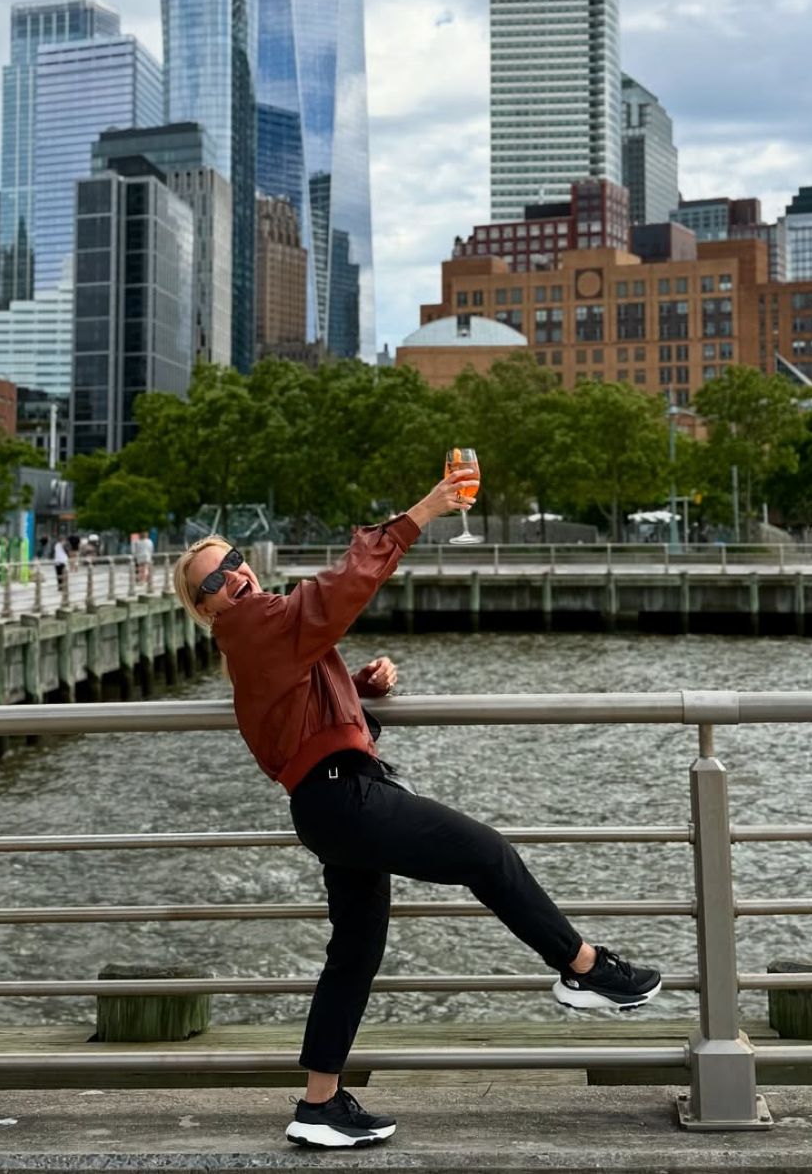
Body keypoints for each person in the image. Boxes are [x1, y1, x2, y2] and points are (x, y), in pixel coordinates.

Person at [173, 470, 661, 1151]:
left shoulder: (255, 638)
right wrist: (423, 512)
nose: (231, 576)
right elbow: (336, 595)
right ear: (206, 607)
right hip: (345, 800)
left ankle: (319, 1105)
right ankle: (584, 969)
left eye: (232, 560)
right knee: (486, 855)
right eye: (212, 580)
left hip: (329, 807)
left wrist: (359, 686)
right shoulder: (254, 623)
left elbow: (307, 701)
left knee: (353, 955)